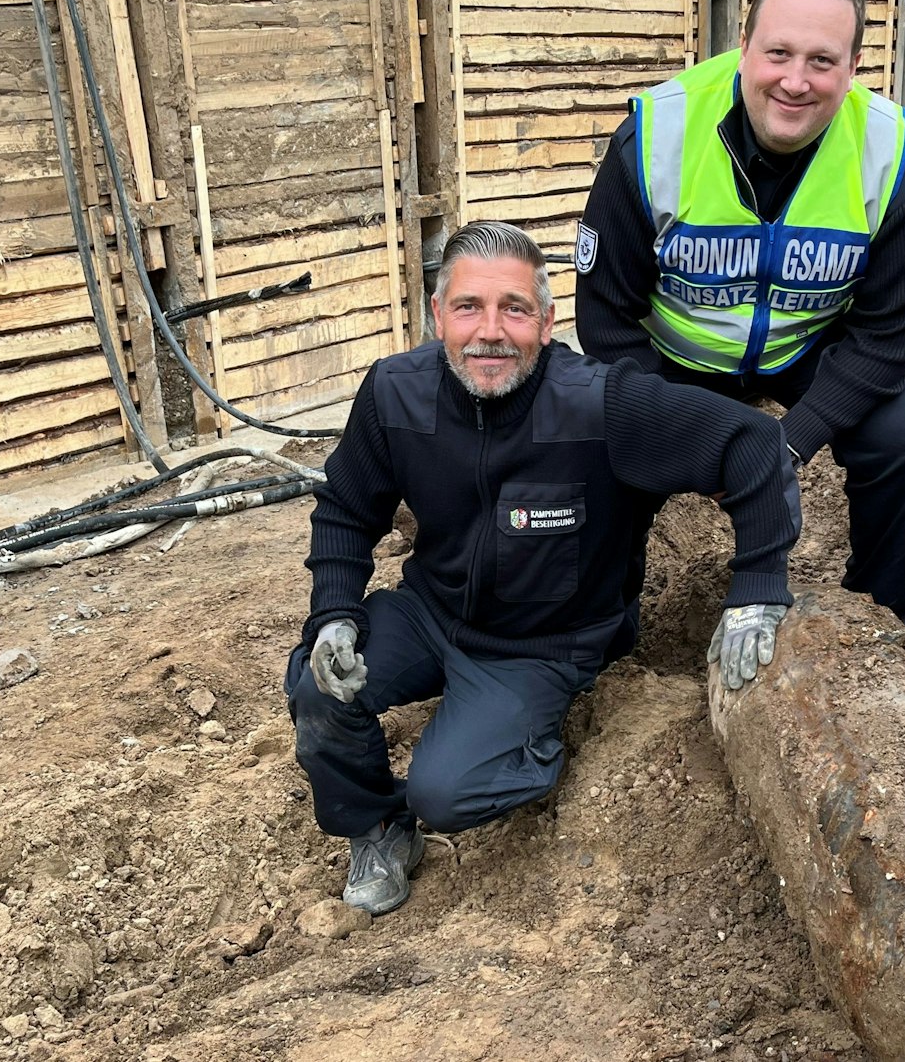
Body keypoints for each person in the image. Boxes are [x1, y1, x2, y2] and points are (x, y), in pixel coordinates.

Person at [289, 220, 799, 916]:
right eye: (468, 307)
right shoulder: (393, 395)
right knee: (316, 684)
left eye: (515, 309)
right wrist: (335, 615)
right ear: (437, 314)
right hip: (431, 612)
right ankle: (377, 828)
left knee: (443, 789)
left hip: (541, 646)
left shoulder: (601, 404)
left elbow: (754, 444)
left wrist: (758, 587)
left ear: (548, 321)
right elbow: (345, 511)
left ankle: (537, 738)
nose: (489, 331)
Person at [573, 0, 905, 629]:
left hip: (807, 346)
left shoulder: (890, 155)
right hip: (672, 356)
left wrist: (784, 444)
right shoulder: (657, 136)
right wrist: (685, 429)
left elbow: (889, 332)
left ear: (854, 66)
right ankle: (603, 628)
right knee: (597, 441)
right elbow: (606, 320)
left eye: (822, 61)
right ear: (742, 48)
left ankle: (881, 620)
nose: (795, 82)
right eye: (778, 53)